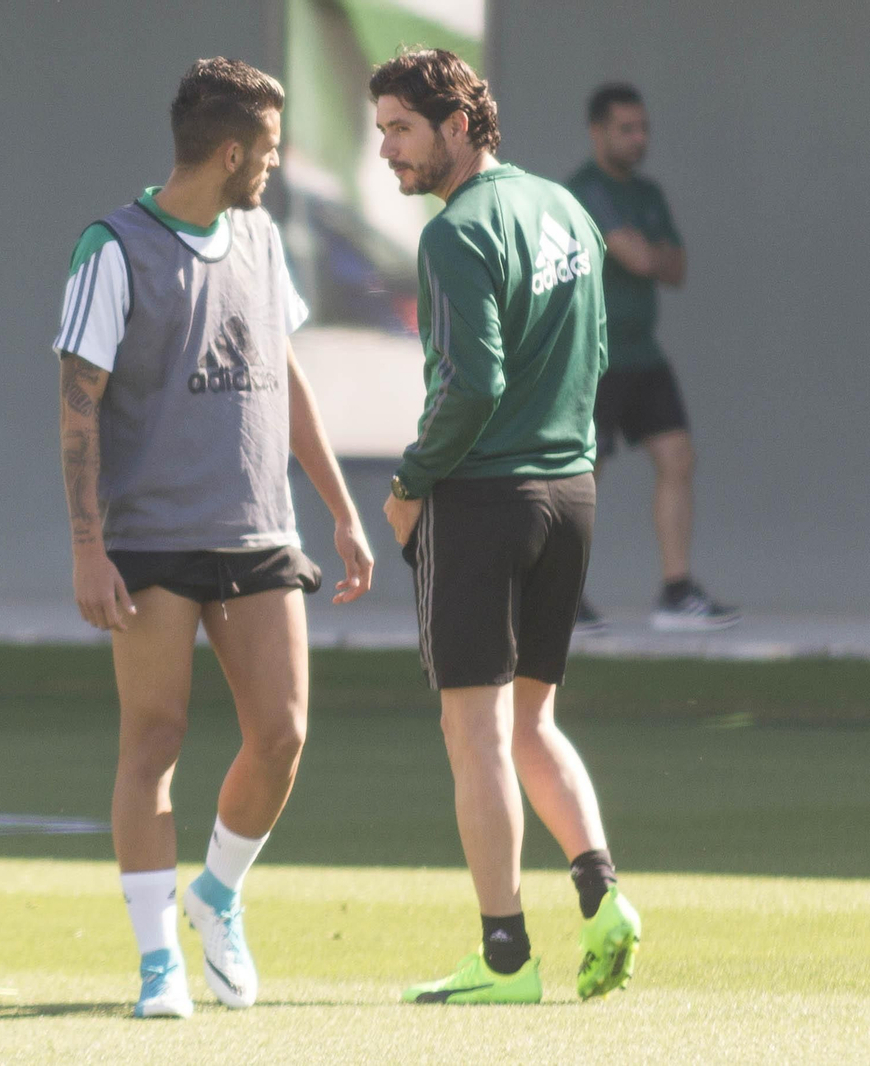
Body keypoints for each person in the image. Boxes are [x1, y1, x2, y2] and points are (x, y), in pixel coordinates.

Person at [54, 57, 374, 1019]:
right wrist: (86, 547)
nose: (275, 166)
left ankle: (217, 894)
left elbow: (286, 374)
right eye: (270, 150)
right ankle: (158, 964)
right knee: (152, 741)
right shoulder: (111, 248)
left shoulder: (263, 237)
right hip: (149, 542)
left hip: (258, 530)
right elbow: (77, 407)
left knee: (281, 736)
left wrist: (341, 507)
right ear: (231, 151)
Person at [370, 50, 640, 1004]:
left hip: (484, 501)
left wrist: (408, 483)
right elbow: (599, 348)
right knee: (532, 721)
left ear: (457, 124)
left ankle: (505, 960)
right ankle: (603, 896)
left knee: (474, 733)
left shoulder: (456, 235)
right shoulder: (566, 206)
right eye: (380, 132)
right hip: (572, 493)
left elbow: (471, 385)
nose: (388, 151)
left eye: (401, 129)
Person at [568, 84, 738, 632]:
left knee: (678, 458)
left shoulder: (648, 193)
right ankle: (562, 597)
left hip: (644, 354)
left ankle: (676, 591)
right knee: (582, 474)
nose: (639, 139)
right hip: (593, 355)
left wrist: (649, 253)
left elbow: (677, 268)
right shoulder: (586, 190)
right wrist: (648, 253)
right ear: (598, 132)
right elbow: (641, 258)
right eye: (626, 129)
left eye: (643, 129)